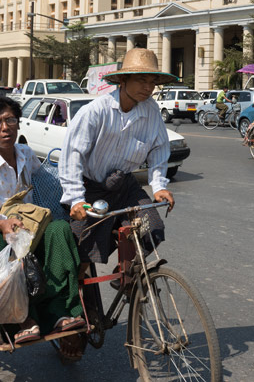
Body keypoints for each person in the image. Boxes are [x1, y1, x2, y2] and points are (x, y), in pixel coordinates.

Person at [0, 97, 86, 360]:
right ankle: (21, 320)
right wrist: (2, 224)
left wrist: (75, 200)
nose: (5, 127)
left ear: (18, 123)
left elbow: (48, 182)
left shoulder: (25, 154)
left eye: (10, 120)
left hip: (30, 229)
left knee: (60, 230)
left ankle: (61, 312)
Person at [60, 48, 176, 269]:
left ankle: (128, 274)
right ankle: (81, 281)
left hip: (125, 186)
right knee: (83, 253)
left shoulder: (151, 110)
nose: (148, 87)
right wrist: (75, 199)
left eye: (152, 82)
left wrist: (159, 185)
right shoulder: (95, 112)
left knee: (152, 229)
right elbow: (72, 155)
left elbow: (159, 148)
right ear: (123, 80)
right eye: (141, 80)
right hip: (92, 188)